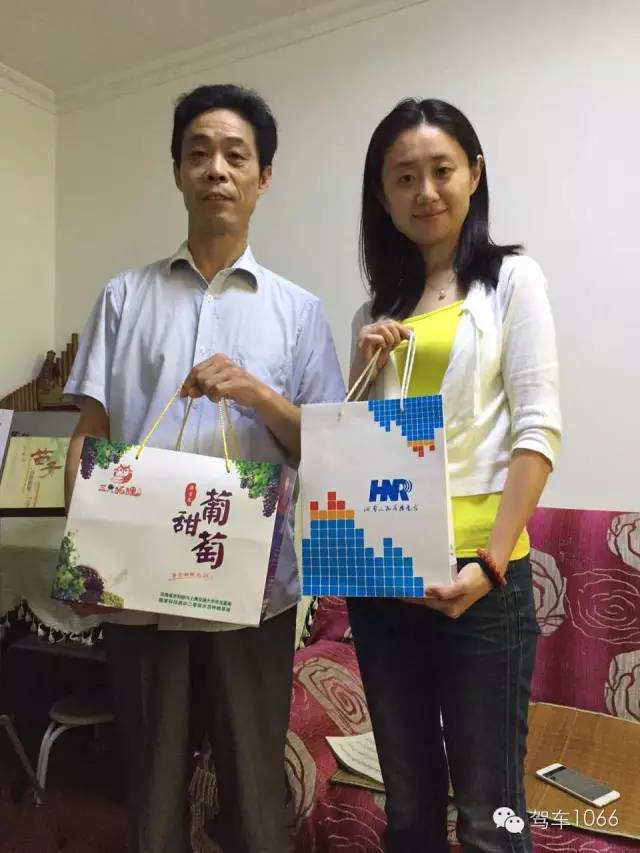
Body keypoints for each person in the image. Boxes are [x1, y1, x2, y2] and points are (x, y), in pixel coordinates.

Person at [64, 84, 345, 853]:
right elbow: (91, 433)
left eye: (235, 155)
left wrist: (257, 393)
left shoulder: (298, 311)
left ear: (263, 177)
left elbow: (324, 449)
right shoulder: (123, 296)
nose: (216, 169)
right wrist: (81, 555)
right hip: (137, 587)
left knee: (255, 797)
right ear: (178, 172)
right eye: (198, 153)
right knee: (150, 800)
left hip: (254, 592)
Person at [347, 98, 561, 853]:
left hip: (483, 577)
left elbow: (538, 431)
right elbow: (359, 451)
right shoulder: (373, 312)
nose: (426, 191)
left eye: (441, 170)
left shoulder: (512, 280)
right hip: (385, 576)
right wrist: (361, 372)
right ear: (383, 196)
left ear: (474, 173)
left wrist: (491, 564)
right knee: (407, 808)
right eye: (404, 177)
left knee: (489, 814)